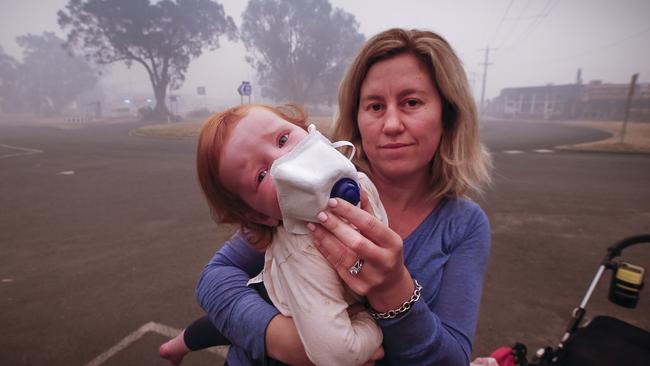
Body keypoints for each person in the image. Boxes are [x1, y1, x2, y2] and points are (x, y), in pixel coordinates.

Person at [195, 28, 492, 366]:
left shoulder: (463, 225)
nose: (392, 124)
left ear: (447, 115)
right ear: (357, 117)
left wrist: (394, 290)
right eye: (375, 105)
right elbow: (214, 277)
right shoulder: (305, 192)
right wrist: (278, 337)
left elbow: (452, 359)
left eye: (412, 102)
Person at [160, 104, 386, 366]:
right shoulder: (300, 253)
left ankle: (176, 345)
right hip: (275, 305)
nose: (284, 161)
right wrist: (371, 322)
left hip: (301, 297)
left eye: (282, 139)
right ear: (259, 216)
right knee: (225, 323)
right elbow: (339, 354)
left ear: (308, 131)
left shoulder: (360, 182)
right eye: (261, 175)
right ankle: (177, 345)